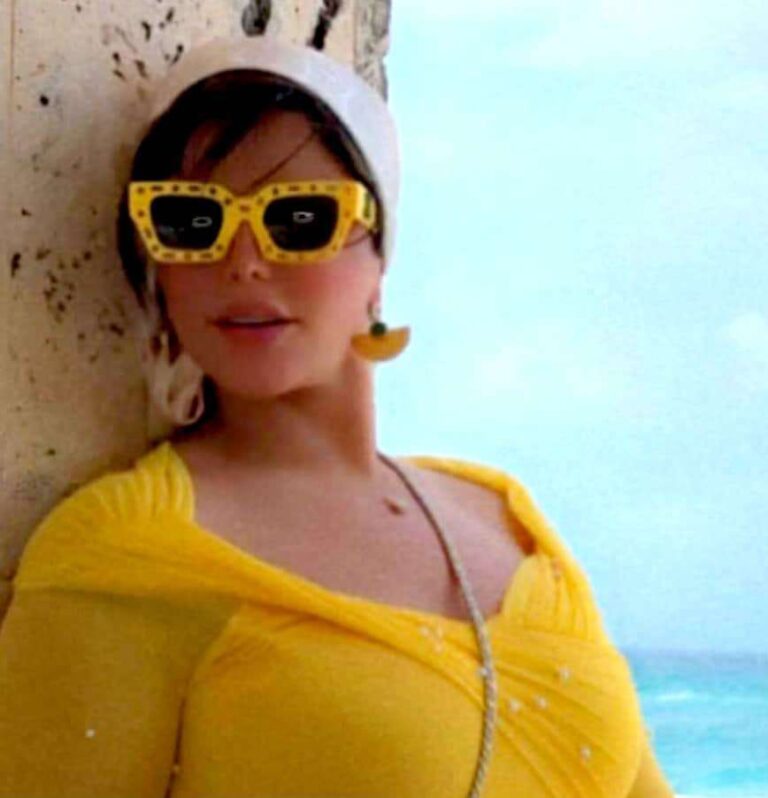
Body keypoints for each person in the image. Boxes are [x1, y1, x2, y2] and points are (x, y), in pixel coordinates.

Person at [0, 35, 675, 798]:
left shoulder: (506, 520)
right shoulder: (126, 552)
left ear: (379, 260)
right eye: (192, 222)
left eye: (299, 219)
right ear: (158, 269)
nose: (243, 260)